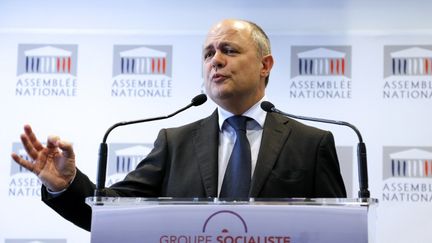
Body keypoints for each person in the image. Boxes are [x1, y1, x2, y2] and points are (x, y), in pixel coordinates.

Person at [11, 19, 346, 232]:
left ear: (265, 64)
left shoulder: (310, 143)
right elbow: (112, 215)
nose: (215, 60)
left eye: (228, 49)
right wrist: (66, 184)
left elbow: (339, 232)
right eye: (208, 54)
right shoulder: (175, 142)